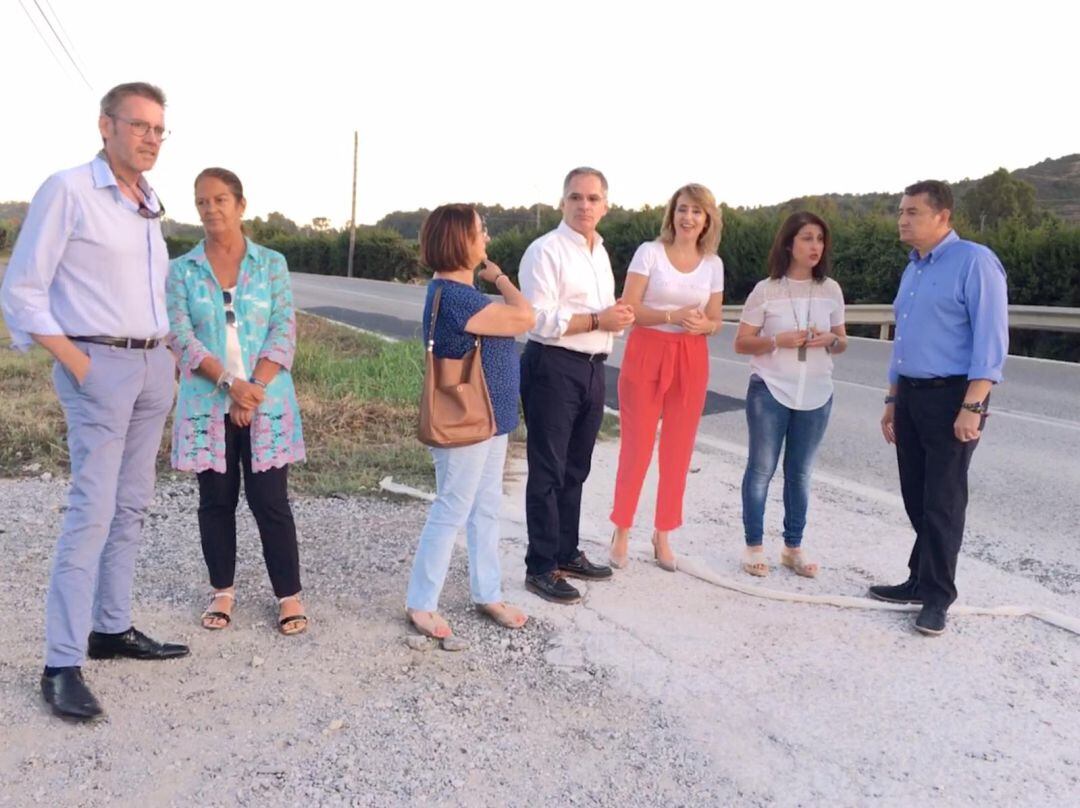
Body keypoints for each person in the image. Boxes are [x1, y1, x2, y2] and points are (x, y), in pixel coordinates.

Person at [0, 82, 188, 722]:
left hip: (150, 366)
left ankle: (110, 628)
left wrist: (164, 356)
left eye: (160, 130)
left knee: (132, 504)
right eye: (141, 126)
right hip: (97, 364)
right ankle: (60, 663)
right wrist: (79, 363)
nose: (152, 138)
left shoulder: (148, 200)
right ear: (106, 126)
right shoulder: (69, 189)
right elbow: (23, 290)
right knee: (92, 508)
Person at [167, 168, 308, 636]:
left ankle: (288, 596)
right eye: (202, 201)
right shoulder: (182, 269)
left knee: (270, 501)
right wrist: (230, 385)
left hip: (266, 401)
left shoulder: (271, 263)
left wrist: (252, 390)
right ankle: (222, 591)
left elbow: (283, 328)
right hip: (208, 401)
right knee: (215, 501)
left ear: (241, 205)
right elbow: (181, 337)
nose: (211, 209)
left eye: (220, 199)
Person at [871, 180, 1008, 636]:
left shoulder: (974, 262)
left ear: (942, 216)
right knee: (916, 493)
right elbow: (904, 341)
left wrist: (974, 404)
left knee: (943, 501)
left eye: (912, 212)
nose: (902, 219)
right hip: (910, 394)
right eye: (901, 211)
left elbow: (991, 340)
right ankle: (917, 579)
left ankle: (937, 598)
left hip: (954, 396)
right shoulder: (913, 269)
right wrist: (893, 398)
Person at [405, 204, 535, 640]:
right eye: (481, 232)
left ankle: (487, 591)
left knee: (485, 506)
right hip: (467, 421)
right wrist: (498, 277)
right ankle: (422, 604)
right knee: (454, 506)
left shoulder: (454, 293)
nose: (486, 240)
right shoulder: (458, 298)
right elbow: (525, 315)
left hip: (490, 418)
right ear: (461, 240)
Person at [518, 167, 636, 604]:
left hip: (592, 367)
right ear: (562, 202)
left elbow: (599, 312)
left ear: (605, 205)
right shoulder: (545, 250)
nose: (584, 205)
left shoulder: (599, 252)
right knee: (548, 470)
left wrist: (613, 320)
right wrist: (597, 320)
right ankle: (541, 566)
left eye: (592, 198)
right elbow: (538, 318)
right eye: (575, 197)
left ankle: (566, 552)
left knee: (575, 468)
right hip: (553, 365)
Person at [609, 183, 725, 571]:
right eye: (682, 209)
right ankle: (621, 528)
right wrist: (672, 317)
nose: (688, 217)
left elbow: (716, 321)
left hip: (691, 356)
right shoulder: (650, 253)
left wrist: (703, 325)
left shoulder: (713, 264)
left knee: (678, 450)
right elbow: (629, 308)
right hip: (648, 349)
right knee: (637, 446)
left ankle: (663, 533)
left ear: (707, 219)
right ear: (672, 214)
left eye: (696, 211)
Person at [733, 212, 848, 578]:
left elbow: (841, 342)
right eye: (807, 238)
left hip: (817, 393)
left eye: (820, 239)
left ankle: (792, 548)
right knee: (761, 470)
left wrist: (831, 339)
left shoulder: (831, 289)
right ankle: (753, 547)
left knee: (800, 474)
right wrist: (776, 341)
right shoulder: (766, 290)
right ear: (789, 244)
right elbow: (741, 343)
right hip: (770, 389)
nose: (816, 246)